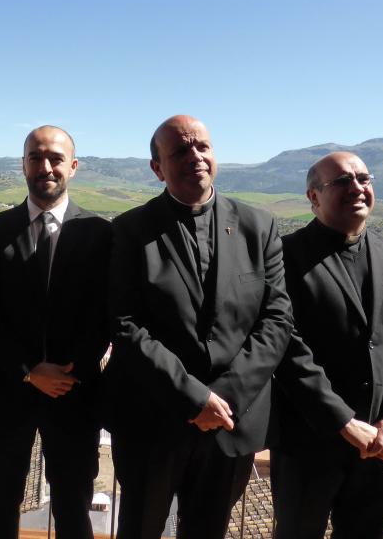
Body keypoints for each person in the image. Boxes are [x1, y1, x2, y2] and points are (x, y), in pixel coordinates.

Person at [103, 114, 293, 539]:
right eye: (180, 151)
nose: (195, 157)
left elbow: (277, 318)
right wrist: (193, 397)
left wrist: (223, 397)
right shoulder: (131, 230)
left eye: (202, 147)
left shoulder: (258, 226)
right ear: (157, 168)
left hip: (230, 421)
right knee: (139, 528)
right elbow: (126, 324)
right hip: (152, 418)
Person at [270, 151, 383, 539]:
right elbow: (285, 348)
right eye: (342, 181)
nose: (357, 187)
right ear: (313, 197)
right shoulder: (283, 257)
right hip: (309, 447)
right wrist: (341, 421)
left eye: (364, 178)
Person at [0, 125, 110, 538]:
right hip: (4, 394)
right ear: (23, 165)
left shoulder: (100, 234)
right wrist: (28, 370)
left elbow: (105, 314)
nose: (45, 166)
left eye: (55, 158)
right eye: (36, 157)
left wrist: (68, 372)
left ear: (74, 166)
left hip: (75, 395)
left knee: (74, 509)